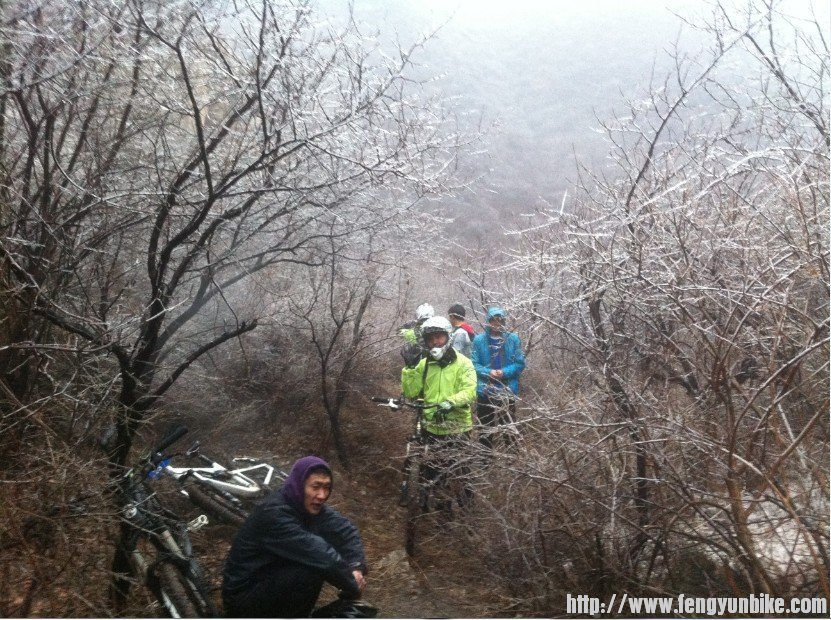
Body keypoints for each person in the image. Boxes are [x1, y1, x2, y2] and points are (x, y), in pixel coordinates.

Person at [221, 456, 367, 618]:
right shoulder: (273, 513)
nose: (322, 495)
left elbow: (346, 531)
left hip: (273, 581)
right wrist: (351, 584)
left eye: (327, 487)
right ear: (299, 485)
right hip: (244, 597)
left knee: (310, 567)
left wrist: (356, 567)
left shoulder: (308, 505)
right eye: (316, 487)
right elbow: (318, 553)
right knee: (311, 567)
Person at [401, 315, 477, 506]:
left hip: (457, 427)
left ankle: (469, 514)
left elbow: (470, 391)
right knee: (433, 473)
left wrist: (450, 403)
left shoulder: (464, 363)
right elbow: (411, 392)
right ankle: (436, 511)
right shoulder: (425, 363)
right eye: (431, 338)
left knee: (462, 474)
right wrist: (409, 368)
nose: (435, 341)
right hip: (431, 428)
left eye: (439, 337)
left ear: (448, 337)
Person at [471, 306, 526, 449]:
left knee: (508, 428)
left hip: (506, 390)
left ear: (503, 321)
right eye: (493, 320)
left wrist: (504, 372)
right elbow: (473, 364)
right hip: (485, 391)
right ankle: (485, 459)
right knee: (485, 428)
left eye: (499, 320)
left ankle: (511, 459)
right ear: (488, 321)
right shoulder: (479, 340)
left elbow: (520, 364)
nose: (496, 324)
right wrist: (488, 372)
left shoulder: (513, 339)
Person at [399, 302, 434, 368]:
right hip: (417, 357)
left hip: (422, 358)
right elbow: (399, 332)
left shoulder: (433, 325)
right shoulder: (413, 324)